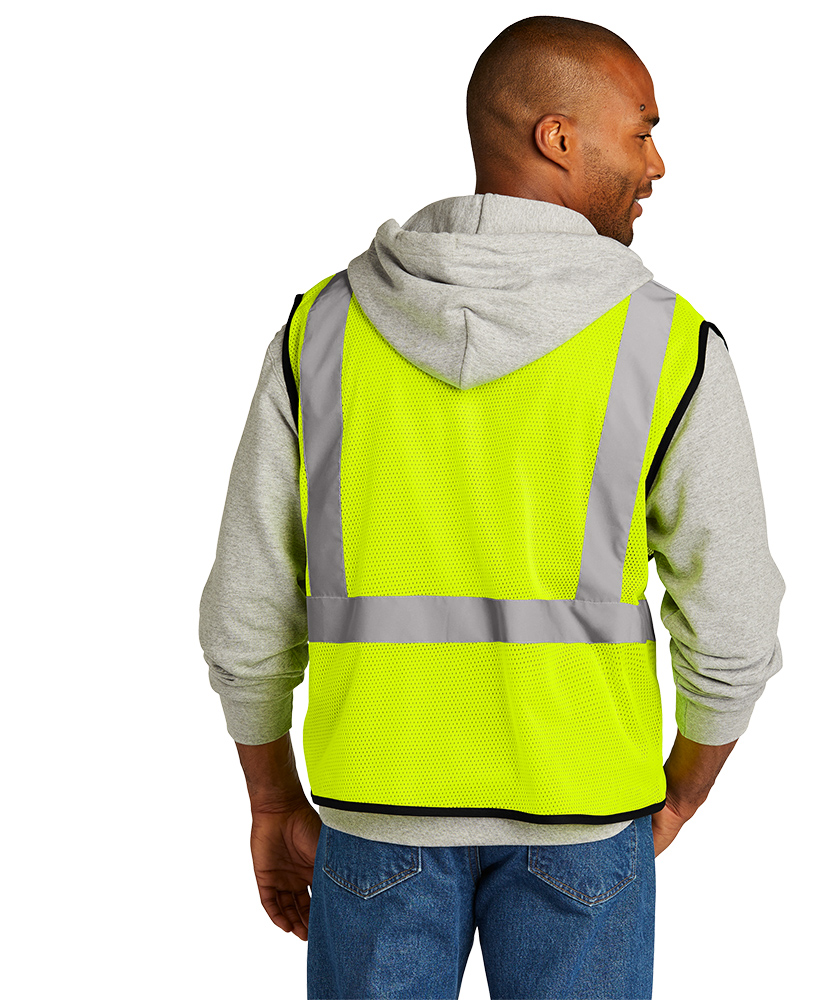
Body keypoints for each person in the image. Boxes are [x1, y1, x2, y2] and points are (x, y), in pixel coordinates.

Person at [200, 15, 784, 1000]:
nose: (657, 163)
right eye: (642, 131)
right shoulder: (666, 344)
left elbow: (248, 606)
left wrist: (270, 800)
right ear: (559, 138)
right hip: (585, 821)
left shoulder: (325, 330)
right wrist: (681, 792)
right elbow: (733, 622)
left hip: (375, 811)